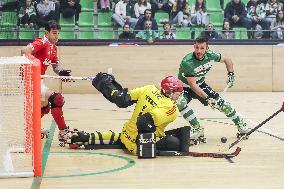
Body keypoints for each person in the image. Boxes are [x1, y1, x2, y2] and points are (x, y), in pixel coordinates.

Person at [67, 73, 191, 157]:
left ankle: (85, 136)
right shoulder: (172, 108)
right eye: (178, 93)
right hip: (138, 145)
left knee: (123, 136)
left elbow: (122, 99)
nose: (179, 96)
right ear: (170, 92)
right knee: (175, 142)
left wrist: (110, 87)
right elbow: (144, 122)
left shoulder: (149, 88)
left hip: (126, 133)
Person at [176, 37, 249, 145]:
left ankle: (240, 123)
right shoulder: (188, 62)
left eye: (202, 48)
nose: (199, 51)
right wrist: (207, 98)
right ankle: (197, 129)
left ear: (207, 48)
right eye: (197, 48)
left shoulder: (210, 55)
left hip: (200, 84)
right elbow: (192, 85)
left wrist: (231, 74)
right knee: (179, 102)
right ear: (194, 47)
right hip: (185, 86)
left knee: (222, 105)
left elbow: (227, 60)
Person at [21, 20, 72, 146]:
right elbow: (24, 50)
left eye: (58, 33)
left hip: (39, 80)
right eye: (54, 33)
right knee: (57, 99)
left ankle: (33, 129)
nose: (56, 36)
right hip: (31, 79)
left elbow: (55, 66)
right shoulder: (42, 41)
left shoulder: (54, 48)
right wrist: (33, 65)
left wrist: (61, 72)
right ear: (46, 33)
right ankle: (63, 131)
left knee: (45, 107)